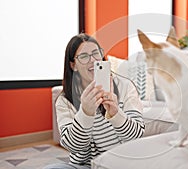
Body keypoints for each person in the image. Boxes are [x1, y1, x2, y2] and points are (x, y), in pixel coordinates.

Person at [44, 33, 145, 169]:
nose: (93, 60)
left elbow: (136, 137)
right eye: (84, 56)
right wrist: (85, 113)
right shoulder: (64, 101)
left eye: (95, 53)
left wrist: (116, 114)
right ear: (73, 65)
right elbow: (72, 147)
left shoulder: (125, 86)